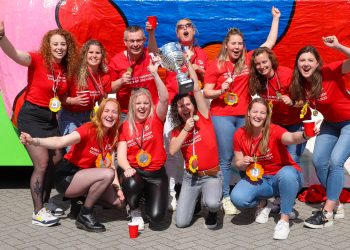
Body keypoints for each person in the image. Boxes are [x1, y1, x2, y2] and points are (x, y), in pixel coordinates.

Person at [203, 7, 281, 215]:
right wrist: (221, 90)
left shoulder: (249, 59)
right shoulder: (217, 65)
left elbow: (270, 43)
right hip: (222, 116)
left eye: (240, 43)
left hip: (244, 116)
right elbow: (206, 92)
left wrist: (276, 19)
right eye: (233, 43)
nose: (236, 47)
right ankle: (226, 196)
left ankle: (253, 192)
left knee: (248, 155)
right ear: (226, 45)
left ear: (243, 45)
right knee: (226, 157)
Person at [0, 21, 78, 226]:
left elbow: (60, 97)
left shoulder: (66, 69)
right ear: (48, 46)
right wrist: (1, 37)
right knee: (42, 163)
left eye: (63, 44)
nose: (60, 48)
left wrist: (73, 101)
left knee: (57, 158)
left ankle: (44, 204)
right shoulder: (36, 59)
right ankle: (37, 212)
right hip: (32, 116)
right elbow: (16, 55)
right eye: (55, 44)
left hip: (51, 118)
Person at [20, 98, 124, 232]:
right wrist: (35, 141)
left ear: (118, 115)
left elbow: (111, 165)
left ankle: (79, 202)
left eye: (114, 112)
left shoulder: (112, 136)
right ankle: (85, 215)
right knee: (107, 174)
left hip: (86, 177)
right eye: (107, 111)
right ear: (100, 113)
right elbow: (60, 141)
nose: (110, 115)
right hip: (68, 177)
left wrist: (118, 188)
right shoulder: (88, 128)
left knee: (118, 202)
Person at [230, 98, 316, 240]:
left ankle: (284, 219)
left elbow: (291, 137)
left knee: (287, 174)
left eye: (262, 113)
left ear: (267, 116)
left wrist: (305, 135)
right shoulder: (239, 133)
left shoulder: (273, 130)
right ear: (248, 113)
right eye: (255, 111)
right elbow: (238, 162)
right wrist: (243, 163)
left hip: (283, 178)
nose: (258, 115)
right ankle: (265, 204)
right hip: (260, 179)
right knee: (238, 198)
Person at [289, 36, 350, 229]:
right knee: (319, 161)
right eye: (302, 60)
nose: (306, 64)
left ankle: (327, 212)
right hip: (330, 123)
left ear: (317, 63)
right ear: (297, 63)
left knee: (336, 161)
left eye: (310, 60)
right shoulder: (301, 84)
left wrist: (338, 46)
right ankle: (336, 202)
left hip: (349, 121)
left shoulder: (329, 71)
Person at [169, 60, 222, 229]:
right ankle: (196, 200)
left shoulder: (204, 117)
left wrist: (188, 65)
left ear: (193, 106)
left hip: (211, 174)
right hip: (190, 177)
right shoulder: (177, 130)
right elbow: (172, 150)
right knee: (181, 223)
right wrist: (186, 129)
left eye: (187, 104)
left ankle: (212, 210)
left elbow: (197, 89)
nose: (185, 107)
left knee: (212, 203)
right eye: (180, 106)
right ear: (177, 110)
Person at [117, 58, 169, 231]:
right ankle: (135, 209)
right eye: (138, 103)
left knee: (157, 218)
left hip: (156, 174)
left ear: (150, 105)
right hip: (136, 172)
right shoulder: (126, 125)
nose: (142, 107)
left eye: (146, 103)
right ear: (132, 105)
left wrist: (154, 73)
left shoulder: (156, 119)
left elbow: (164, 98)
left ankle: (149, 196)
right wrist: (126, 168)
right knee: (131, 182)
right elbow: (121, 156)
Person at [249, 47, 308, 165]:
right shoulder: (257, 78)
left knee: (292, 159)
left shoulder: (287, 75)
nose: (261, 66)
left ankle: (295, 182)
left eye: (264, 62)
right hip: (276, 124)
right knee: (276, 158)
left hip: (296, 122)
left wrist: (292, 102)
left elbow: (304, 100)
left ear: (271, 60)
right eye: (258, 64)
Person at [59, 40, 113, 151]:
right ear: (85, 54)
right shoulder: (74, 72)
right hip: (69, 115)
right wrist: (73, 101)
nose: (94, 56)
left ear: (102, 55)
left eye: (97, 53)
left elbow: (103, 101)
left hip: (89, 116)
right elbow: (59, 96)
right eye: (91, 52)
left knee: (87, 149)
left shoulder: (104, 76)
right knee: (72, 148)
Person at [109, 25, 158, 121]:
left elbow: (156, 53)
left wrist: (151, 33)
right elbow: (109, 89)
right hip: (126, 114)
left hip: (151, 111)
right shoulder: (116, 61)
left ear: (144, 40)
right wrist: (121, 81)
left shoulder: (151, 56)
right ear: (125, 42)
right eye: (131, 41)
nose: (135, 44)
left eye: (139, 40)